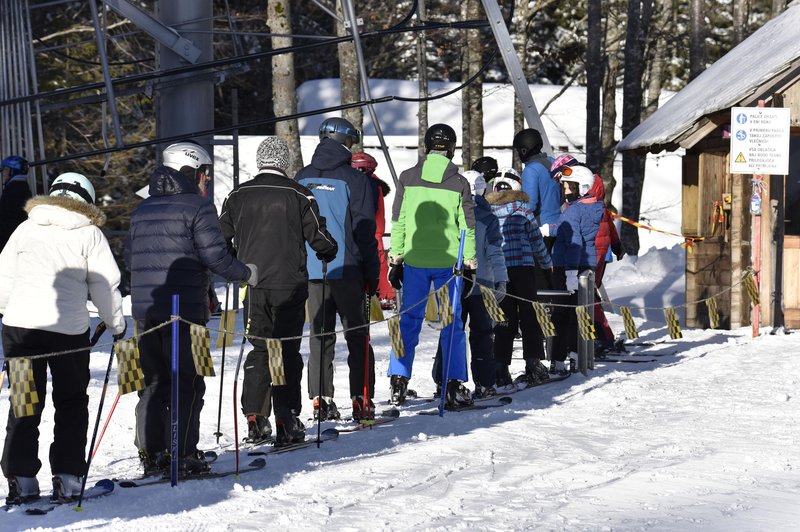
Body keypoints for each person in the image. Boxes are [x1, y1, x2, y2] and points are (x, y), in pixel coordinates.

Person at [125, 141, 256, 474]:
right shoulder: (197, 208)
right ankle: (182, 453)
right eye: (204, 173)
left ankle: (152, 453)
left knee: (153, 383)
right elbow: (215, 257)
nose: (207, 180)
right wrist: (247, 273)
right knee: (190, 381)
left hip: (146, 313)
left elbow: (130, 260)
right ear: (190, 171)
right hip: (188, 314)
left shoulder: (142, 209)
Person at [0, 172, 126, 504]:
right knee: (70, 402)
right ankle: (68, 477)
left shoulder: (25, 228)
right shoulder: (89, 234)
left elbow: (4, 277)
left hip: (20, 329)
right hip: (66, 331)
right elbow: (104, 284)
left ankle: (22, 478)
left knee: (25, 402)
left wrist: (7, 311)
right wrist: (116, 325)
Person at [219, 136, 337, 444]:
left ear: (260, 162)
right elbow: (318, 236)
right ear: (284, 163)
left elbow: (219, 238)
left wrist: (235, 263)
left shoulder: (238, 195)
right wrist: (328, 250)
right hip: (290, 284)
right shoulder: (299, 194)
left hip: (254, 284)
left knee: (260, 349)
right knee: (286, 350)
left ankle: (255, 417)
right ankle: (286, 416)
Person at [387, 123, 477, 408]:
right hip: (448, 264)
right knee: (451, 324)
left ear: (427, 146)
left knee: (408, 321)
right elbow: (468, 227)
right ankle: (451, 383)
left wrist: (396, 257)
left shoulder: (407, 177)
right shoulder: (460, 183)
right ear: (451, 149)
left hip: (414, 259)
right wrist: (470, 262)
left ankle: (398, 379)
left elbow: (399, 220)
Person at [295, 118, 379, 422]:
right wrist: (372, 274)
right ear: (347, 142)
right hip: (347, 270)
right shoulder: (354, 179)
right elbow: (364, 231)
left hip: (312, 271)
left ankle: (320, 399)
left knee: (320, 335)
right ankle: (361, 397)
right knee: (358, 336)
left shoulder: (301, 178)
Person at [431, 169, 508, 399]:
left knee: (451, 332)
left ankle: (444, 381)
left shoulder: (449, 214)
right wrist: (501, 279)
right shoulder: (489, 218)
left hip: (453, 281)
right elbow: (495, 252)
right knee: (482, 334)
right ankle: (484, 383)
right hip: (481, 285)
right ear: (483, 190)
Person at [485, 168, 553, 387]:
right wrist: (546, 263)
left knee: (504, 319)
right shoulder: (522, 209)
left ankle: (500, 367)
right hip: (523, 269)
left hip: (499, 272)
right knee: (529, 315)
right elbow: (535, 239)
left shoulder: (488, 209)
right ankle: (533, 362)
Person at [540, 164, 603, 375]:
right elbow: (575, 229)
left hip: (568, 266)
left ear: (581, 186)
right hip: (585, 264)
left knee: (561, 314)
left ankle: (558, 359)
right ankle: (578, 355)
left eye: (568, 185)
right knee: (580, 313)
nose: (564, 188)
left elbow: (574, 238)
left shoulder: (573, 210)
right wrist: (550, 229)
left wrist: (569, 272)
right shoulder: (591, 207)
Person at [351, 151, 395, 309]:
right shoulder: (374, 183)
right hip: (374, 229)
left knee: (376, 262)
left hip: (370, 229)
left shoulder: (367, 184)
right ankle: (383, 294)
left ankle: (384, 295)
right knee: (377, 261)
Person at [587, 174, 624, 352]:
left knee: (588, 295)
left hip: (591, 254)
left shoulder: (585, 207)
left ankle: (603, 336)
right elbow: (612, 229)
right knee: (591, 293)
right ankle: (599, 334)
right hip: (601, 252)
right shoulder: (601, 207)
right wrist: (617, 246)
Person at [0, 156, 33, 253]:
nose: (3, 173)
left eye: (6, 169)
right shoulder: (19, 187)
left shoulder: (15, 189)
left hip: (8, 242)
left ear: (13, 171)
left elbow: (9, 219)